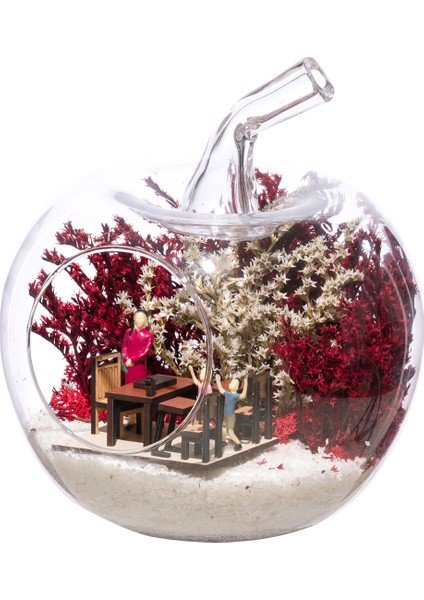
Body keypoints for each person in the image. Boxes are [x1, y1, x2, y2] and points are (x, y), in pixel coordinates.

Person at [215, 374, 248, 451]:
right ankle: (223, 442)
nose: (231, 384)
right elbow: (221, 389)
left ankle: (238, 444)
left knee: (230, 432)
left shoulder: (235, 395)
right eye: (231, 382)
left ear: (237, 387)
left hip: (231, 417)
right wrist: (218, 381)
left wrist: (245, 384)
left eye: (233, 383)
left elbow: (243, 395)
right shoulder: (227, 393)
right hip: (226, 415)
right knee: (223, 429)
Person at [121, 309, 154, 384]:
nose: (139, 320)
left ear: (145, 320)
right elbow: (124, 347)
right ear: (134, 319)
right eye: (137, 318)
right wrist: (126, 359)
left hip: (139, 364)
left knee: (140, 383)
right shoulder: (128, 332)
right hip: (128, 365)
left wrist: (132, 360)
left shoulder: (149, 335)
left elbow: (145, 351)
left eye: (141, 318)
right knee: (129, 383)